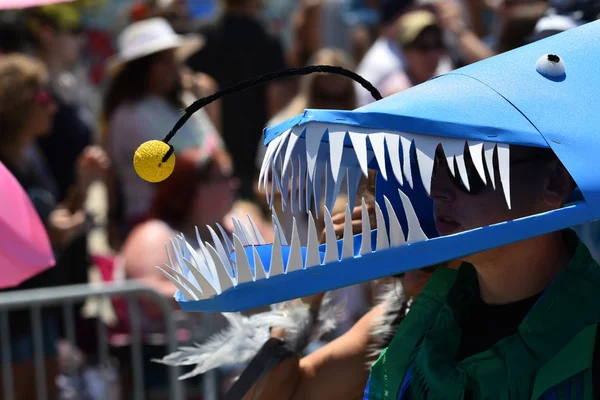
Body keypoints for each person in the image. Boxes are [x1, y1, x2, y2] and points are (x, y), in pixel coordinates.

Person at [0, 54, 108, 400]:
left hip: (37, 306)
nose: (53, 108)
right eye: (44, 98)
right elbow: (48, 231)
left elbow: (49, 220)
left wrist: (83, 183)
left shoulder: (30, 157)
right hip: (11, 314)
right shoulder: (6, 165)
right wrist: (74, 224)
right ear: (18, 105)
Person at [103, 17, 226, 246]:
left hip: (194, 222)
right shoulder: (128, 115)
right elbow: (174, 173)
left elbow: (216, 150)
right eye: (164, 61)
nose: (174, 68)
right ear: (141, 68)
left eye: (174, 60)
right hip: (153, 227)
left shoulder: (183, 101)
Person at [186, 0, 290, 201]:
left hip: (209, 142)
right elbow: (275, 103)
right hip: (254, 143)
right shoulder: (269, 39)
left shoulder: (201, 35)